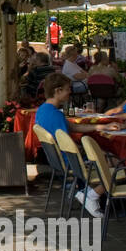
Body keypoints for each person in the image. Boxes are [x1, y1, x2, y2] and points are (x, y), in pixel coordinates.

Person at [35, 73, 102, 216]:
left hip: (58, 161)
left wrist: (100, 127)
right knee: (111, 160)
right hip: (70, 162)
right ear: (58, 91)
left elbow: (73, 127)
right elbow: (68, 144)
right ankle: (93, 195)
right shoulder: (56, 114)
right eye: (67, 89)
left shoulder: (43, 110)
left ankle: (89, 194)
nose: (70, 92)